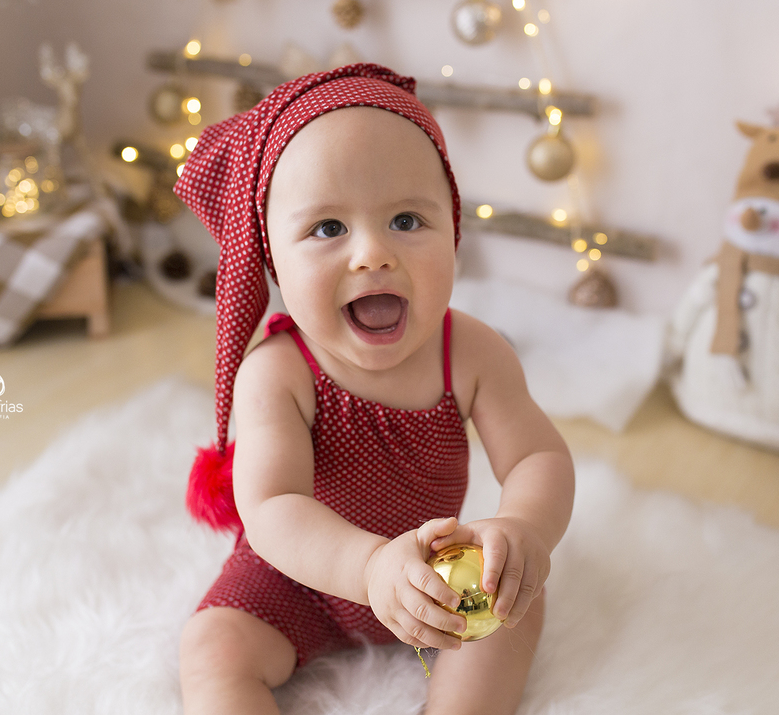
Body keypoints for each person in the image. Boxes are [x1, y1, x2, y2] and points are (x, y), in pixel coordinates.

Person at [173, 64, 575, 715]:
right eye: (328, 229)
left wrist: (522, 527)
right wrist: (367, 569)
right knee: (212, 645)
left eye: (408, 221)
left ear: (454, 229)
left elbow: (538, 456)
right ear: (273, 257)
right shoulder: (278, 372)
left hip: (435, 573)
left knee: (516, 609)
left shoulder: (470, 352)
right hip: (297, 579)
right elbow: (273, 506)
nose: (372, 255)